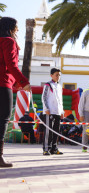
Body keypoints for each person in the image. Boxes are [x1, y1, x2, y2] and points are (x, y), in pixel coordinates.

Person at [0, 17, 31, 167]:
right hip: (2, 84)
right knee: (3, 119)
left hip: (6, 83)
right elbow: (12, 66)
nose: (18, 29)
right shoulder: (8, 41)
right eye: (16, 27)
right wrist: (24, 83)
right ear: (11, 28)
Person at [41, 68, 64, 156]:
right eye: (56, 75)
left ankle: (54, 148)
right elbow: (44, 97)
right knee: (48, 131)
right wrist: (46, 108)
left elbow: (60, 100)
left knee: (56, 131)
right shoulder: (48, 85)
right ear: (51, 75)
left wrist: (61, 111)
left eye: (59, 75)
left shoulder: (59, 86)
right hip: (49, 112)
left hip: (57, 112)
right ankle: (46, 149)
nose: (58, 77)